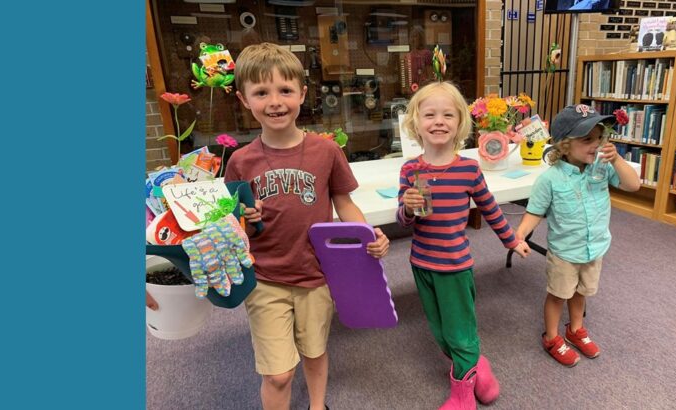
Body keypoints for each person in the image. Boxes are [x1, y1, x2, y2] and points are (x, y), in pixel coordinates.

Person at [223, 42, 390, 410]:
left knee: (315, 352)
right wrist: (246, 221)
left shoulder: (326, 151)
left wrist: (369, 236)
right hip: (265, 278)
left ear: (302, 93)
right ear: (244, 99)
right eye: (261, 92)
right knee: (278, 373)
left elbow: (345, 204)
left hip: (317, 275)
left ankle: (318, 405)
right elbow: (235, 229)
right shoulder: (239, 161)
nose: (275, 101)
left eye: (285, 90)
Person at [396, 82, 531, 410]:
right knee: (441, 332)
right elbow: (403, 220)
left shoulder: (468, 169)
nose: (438, 121)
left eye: (447, 114)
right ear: (416, 123)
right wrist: (409, 208)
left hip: (454, 267)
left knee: (460, 333)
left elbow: (490, 208)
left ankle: (461, 395)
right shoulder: (410, 169)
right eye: (429, 114)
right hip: (421, 264)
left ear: (460, 123)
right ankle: (477, 368)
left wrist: (511, 239)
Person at [514, 104, 641, 367]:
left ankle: (576, 329)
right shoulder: (550, 179)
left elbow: (633, 185)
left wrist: (616, 159)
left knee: (581, 292)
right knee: (558, 294)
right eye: (587, 140)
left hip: (594, 248)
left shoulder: (603, 168)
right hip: (564, 252)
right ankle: (551, 337)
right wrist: (520, 236)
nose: (595, 145)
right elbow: (535, 212)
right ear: (564, 145)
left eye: (599, 138)